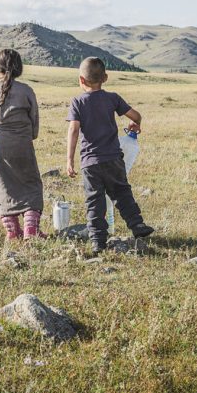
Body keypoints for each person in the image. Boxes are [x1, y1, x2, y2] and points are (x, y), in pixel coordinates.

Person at [66, 56, 154, 253]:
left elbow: (73, 130)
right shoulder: (112, 98)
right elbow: (136, 115)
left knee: (94, 201)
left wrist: (70, 160)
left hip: (90, 163)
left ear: (81, 80)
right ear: (105, 77)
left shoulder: (77, 102)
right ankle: (137, 225)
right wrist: (135, 124)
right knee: (122, 192)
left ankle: (98, 241)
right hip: (114, 159)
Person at [0, 49, 45, 240]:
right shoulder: (26, 91)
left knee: (5, 185)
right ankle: (30, 229)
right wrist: (30, 136)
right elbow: (34, 119)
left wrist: (1, 138)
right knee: (31, 183)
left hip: (2, 146)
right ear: (19, 68)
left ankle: (12, 231)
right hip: (24, 144)